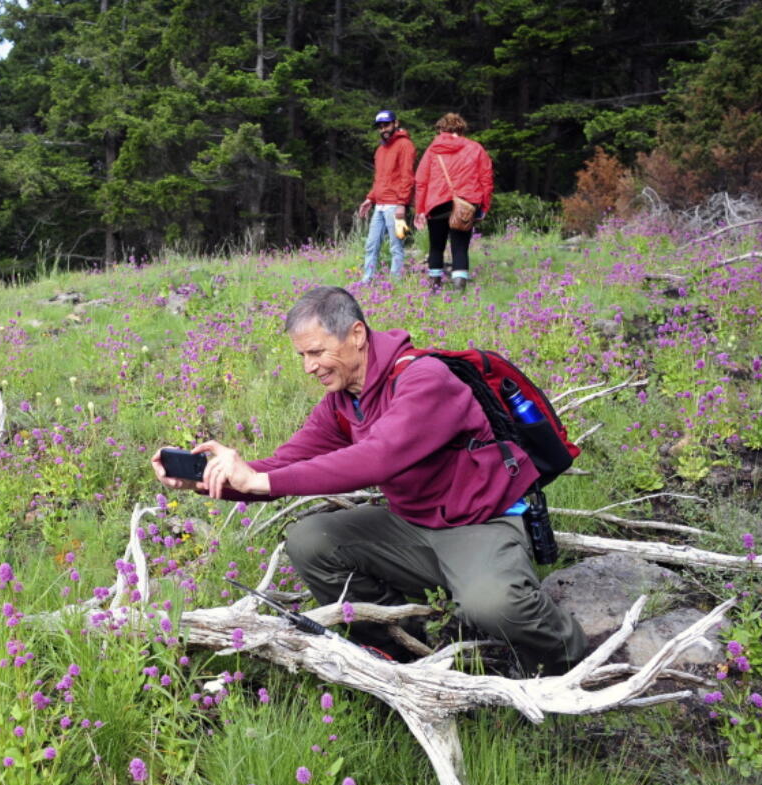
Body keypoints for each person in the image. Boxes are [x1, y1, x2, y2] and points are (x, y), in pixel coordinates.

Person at [151, 286, 586, 676]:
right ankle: (400, 645)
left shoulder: (425, 379)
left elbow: (379, 457)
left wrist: (257, 481)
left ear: (356, 334)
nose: (309, 367)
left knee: (494, 605)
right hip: (412, 525)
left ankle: (568, 658)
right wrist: (216, 480)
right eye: (302, 355)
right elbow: (283, 463)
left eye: (317, 352)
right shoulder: (344, 402)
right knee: (310, 539)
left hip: (478, 523)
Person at [414, 113, 493, 292]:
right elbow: (486, 180)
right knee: (460, 248)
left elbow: (421, 181)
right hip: (465, 205)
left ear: (441, 129)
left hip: (436, 204)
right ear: (461, 129)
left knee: (436, 247)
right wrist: (483, 207)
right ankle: (459, 291)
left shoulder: (432, 150)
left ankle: (434, 289)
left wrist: (420, 209)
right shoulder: (476, 148)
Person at [356, 110, 415, 284]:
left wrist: (402, 204)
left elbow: (408, 177)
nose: (383, 129)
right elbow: (379, 178)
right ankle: (367, 281)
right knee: (371, 245)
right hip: (380, 205)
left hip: (396, 206)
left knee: (397, 246)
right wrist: (370, 198)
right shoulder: (380, 150)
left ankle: (395, 282)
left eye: (386, 125)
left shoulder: (406, 145)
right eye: (380, 127)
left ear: (396, 123)